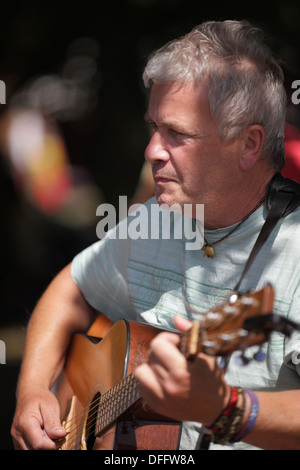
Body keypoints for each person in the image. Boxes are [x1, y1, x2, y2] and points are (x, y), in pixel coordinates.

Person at [11, 20, 300, 450]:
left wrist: (227, 409)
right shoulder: (159, 219)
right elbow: (70, 287)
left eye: (177, 134)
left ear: (249, 145)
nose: (151, 151)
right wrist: (32, 391)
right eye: (154, 127)